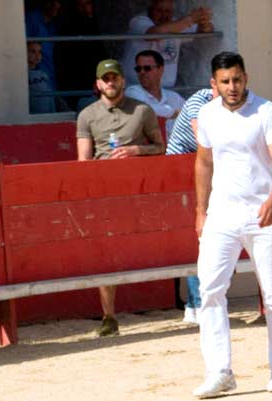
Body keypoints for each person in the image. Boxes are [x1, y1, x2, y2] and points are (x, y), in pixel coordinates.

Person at [193, 52, 272, 398]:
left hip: (263, 213)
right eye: (225, 81)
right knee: (209, 290)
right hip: (222, 214)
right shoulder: (206, 114)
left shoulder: (267, 111)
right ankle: (219, 370)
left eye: (237, 79)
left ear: (245, 78)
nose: (232, 87)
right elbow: (204, 162)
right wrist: (200, 210)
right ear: (214, 83)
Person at [76, 59, 162, 338]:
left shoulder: (142, 111)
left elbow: (161, 147)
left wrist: (137, 150)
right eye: (106, 78)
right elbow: (83, 161)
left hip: (140, 188)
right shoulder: (87, 115)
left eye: (115, 77)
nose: (111, 82)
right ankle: (109, 315)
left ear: (123, 81)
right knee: (106, 251)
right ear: (97, 84)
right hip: (105, 190)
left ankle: (197, 305)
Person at [166, 85, 216, 323]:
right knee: (199, 239)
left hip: (206, 170)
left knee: (209, 240)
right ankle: (196, 303)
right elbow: (202, 141)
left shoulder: (234, 104)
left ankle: (199, 302)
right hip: (181, 174)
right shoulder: (200, 101)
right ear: (213, 84)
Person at [123, 0, 214, 92]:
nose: (164, 15)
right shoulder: (139, 21)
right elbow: (154, 34)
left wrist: (204, 22)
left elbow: (203, 30)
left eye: (168, 11)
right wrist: (190, 19)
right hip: (137, 90)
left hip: (167, 91)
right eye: (159, 11)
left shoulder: (176, 24)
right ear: (150, 10)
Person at [125, 48, 187, 118]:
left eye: (147, 68)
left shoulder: (174, 97)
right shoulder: (132, 92)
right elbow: (146, 108)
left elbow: (192, 112)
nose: (142, 72)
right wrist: (175, 113)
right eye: (138, 69)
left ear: (160, 69)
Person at [28, 41, 59, 113]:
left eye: (40, 52)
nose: (37, 55)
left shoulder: (44, 74)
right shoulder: (24, 76)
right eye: (33, 51)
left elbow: (50, 97)